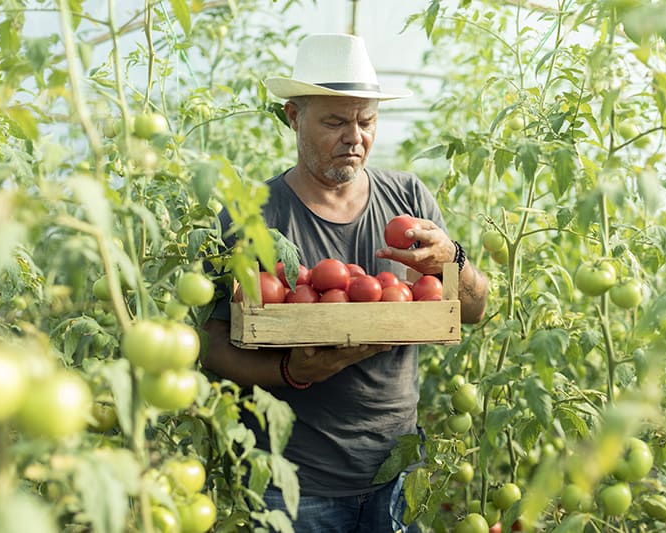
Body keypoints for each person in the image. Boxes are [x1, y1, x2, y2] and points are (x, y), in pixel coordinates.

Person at [202, 33, 489, 532]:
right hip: (292, 482)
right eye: (335, 121)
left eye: (366, 120)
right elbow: (210, 347)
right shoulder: (250, 215)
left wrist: (453, 259)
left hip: (396, 470)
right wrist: (292, 371)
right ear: (293, 116)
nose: (354, 136)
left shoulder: (409, 199)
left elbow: (473, 308)